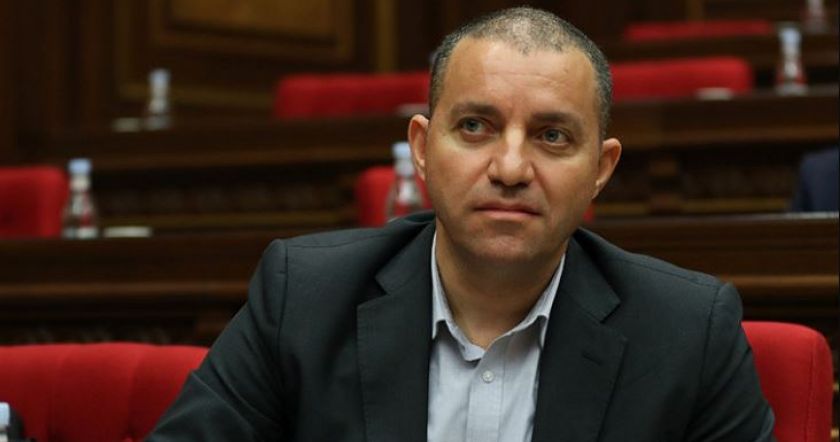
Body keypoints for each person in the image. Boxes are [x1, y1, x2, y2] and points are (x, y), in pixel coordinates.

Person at [149, 7, 774, 441]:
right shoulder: (303, 297)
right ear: (422, 149)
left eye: (553, 136)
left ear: (601, 170)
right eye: (475, 127)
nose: (510, 168)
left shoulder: (687, 333)